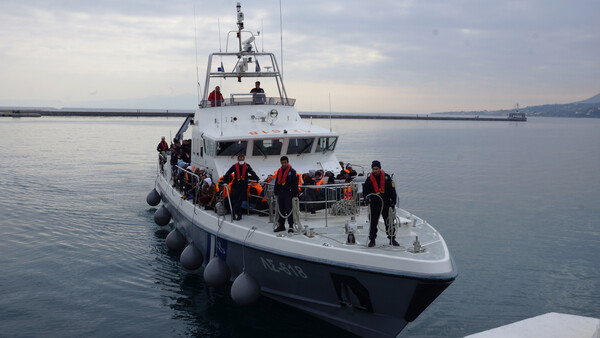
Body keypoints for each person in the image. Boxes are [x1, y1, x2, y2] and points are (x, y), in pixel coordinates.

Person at [362, 160, 398, 247]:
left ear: (380, 168)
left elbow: (392, 191)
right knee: (373, 223)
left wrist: (393, 203)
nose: (374, 170)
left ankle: (392, 239)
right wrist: (366, 198)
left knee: (389, 222)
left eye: (376, 169)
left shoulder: (387, 178)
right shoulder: (369, 180)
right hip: (374, 204)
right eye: (373, 169)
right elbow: (365, 192)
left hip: (386, 204)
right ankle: (372, 240)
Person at [224, 154, 260, 220]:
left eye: (242, 158)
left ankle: (233, 212)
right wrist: (225, 182)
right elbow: (227, 173)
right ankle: (239, 215)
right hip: (235, 186)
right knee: (235, 201)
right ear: (238, 159)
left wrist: (257, 179)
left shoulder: (247, 166)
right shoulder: (234, 166)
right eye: (240, 158)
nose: (241, 159)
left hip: (243, 187)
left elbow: (252, 173)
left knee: (240, 201)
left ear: (244, 159)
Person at [274, 156, 298, 232]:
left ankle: (291, 226)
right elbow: (277, 182)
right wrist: (276, 191)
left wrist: (295, 194)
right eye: (282, 163)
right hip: (281, 192)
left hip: (288, 192)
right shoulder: (279, 171)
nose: (283, 164)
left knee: (289, 210)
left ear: (287, 162)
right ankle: (281, 225)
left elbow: (295, 184)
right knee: (281, 209)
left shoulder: (292, 172)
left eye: (285, 162)